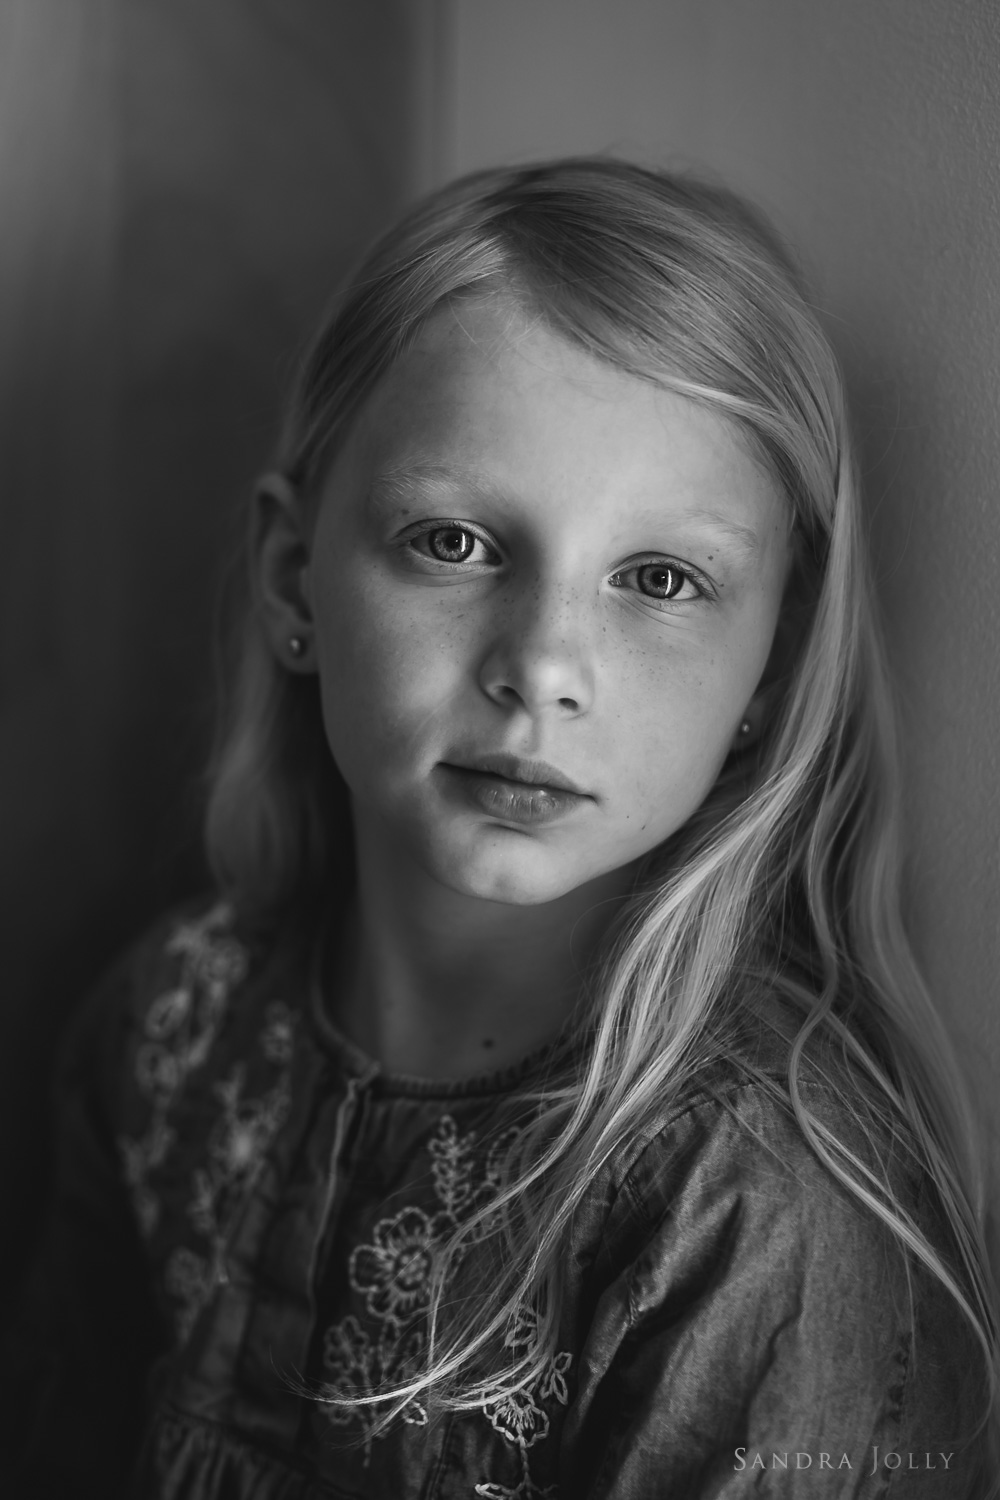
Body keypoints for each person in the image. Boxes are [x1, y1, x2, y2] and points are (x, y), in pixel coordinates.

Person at [3, 158, 997, 1499]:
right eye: (455, 543)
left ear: (771, 666)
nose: (543, 667)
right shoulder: (164, 1028)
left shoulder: (757, 1217)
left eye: (660, 579)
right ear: (296, 578)